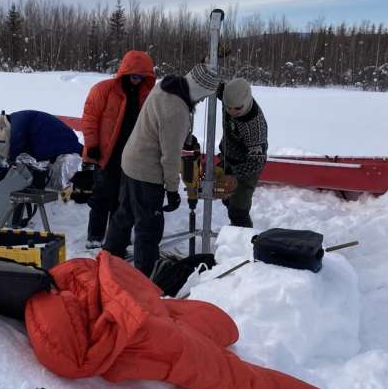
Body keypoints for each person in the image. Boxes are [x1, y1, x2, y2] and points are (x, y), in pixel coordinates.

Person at [103, 64, 221, 276]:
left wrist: (184, 137)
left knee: (124, 214)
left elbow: (161, 129)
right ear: (198, 90)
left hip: (130, 160)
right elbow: (170, 156)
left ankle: (109, 257)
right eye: (203, 96)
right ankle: (145, 276)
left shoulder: (167, 86)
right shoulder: (177, 109)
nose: (202, 101)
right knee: (149, 227)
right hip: (147, 172)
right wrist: (172, 190)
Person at [81, 51, 156, 249]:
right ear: (125, 73)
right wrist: (92, 145)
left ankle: (117, 238)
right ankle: (95, 237)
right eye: (134, 76)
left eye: (142, 77)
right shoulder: (103, 90)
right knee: (102, 197)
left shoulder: (147, 95)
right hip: (106, 155)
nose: (137, 81)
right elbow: (89, 119)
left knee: (123, 199)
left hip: (132, 157)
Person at [217, 77, 268, 227]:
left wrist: (232, 173)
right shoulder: (229, 96)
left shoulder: (255, 127)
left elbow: (256, 162)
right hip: (228, 155)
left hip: (248, 165)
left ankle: (244, 243)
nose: (232, 112)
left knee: (238, 210)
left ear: (246, 101)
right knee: (225, 197)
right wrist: (207, 63)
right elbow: (210, 83)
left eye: (237, 108)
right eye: (228, 107)